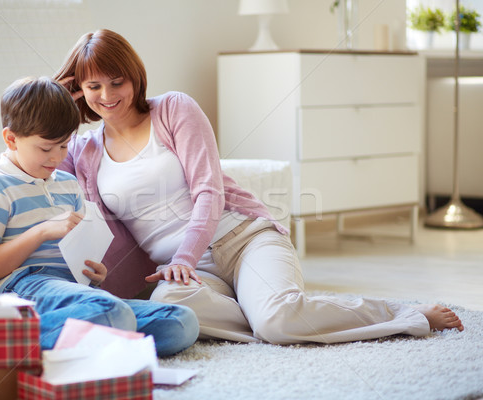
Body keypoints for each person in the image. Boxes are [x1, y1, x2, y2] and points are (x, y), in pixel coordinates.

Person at [54, 29, 464, 345]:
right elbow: (53, 173)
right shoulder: (83, 150)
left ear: (135, 77)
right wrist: (59, 98)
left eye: (116, 82)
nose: (107, 96)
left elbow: (208, 192)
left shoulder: (173, 109)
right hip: (189, 276)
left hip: (243, 239)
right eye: (93, 87)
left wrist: (183, 255)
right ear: (80, 89)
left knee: (278, 320)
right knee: (167, 306)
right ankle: (268, 311)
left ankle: (402, 313)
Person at [0, 76, 199, 356]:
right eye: (45, 148)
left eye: (63, 147)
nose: (55, 158)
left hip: (74, 291)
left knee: (181, 322)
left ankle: (94, 341)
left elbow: (80, 255)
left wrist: (94, 276)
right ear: (11, 139)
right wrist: (41, 231)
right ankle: (5, 337)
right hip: (25, 287)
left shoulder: (66, 183)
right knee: (113, 313)